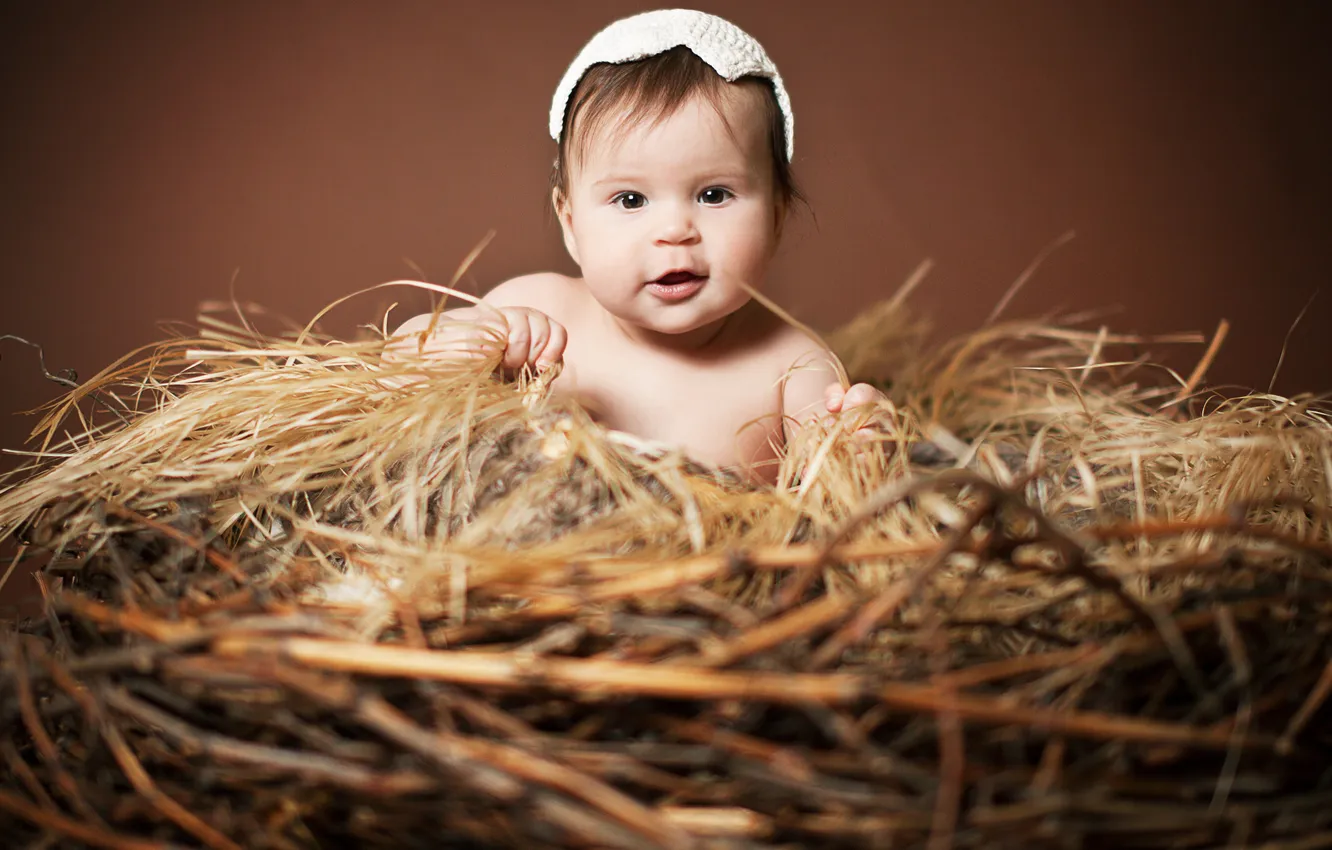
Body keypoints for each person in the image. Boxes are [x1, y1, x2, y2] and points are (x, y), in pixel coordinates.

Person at [383, 9, 884, 483]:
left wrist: (861, 448)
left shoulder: (792, 367)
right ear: (571, 225)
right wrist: (452, 345)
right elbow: (390, 383)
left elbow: (837, 502)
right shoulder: (536, 311)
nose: (674, 230)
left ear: (776, 219)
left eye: (714, 194)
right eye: (630, 199)